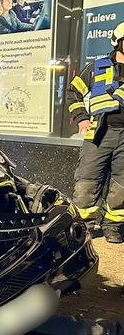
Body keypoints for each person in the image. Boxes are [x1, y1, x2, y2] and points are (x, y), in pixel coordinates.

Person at [67, 22, 124, 243]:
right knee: (86, 183)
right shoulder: (97, 67)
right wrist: (81, 118)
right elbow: (73, 92)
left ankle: (113, 227)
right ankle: (84, 227)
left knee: (122, 185)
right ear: (118, 42)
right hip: (99, 133)